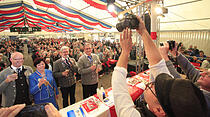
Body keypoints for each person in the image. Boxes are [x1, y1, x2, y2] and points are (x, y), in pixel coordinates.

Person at [112, 17, 208, 117]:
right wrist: (143, 31)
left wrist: (125, 51)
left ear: (159, 110)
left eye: (153, 86)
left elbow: (118, 84)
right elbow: (158, 64)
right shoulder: (173, 104)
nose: (151, 83)